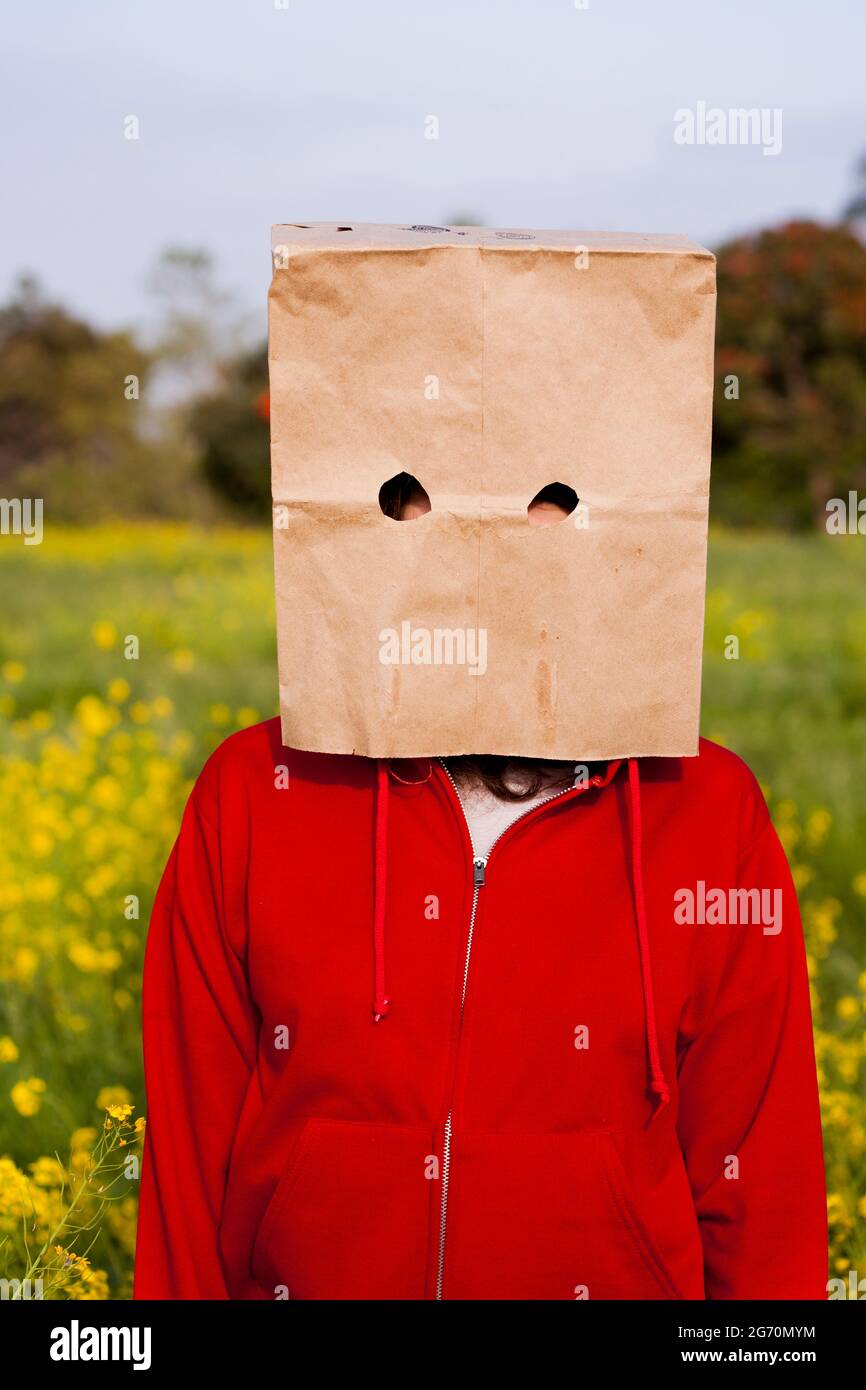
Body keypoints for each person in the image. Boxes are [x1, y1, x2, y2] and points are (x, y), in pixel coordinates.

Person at [133, 477, 827, 1301]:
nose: (479, 529)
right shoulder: (255, 788)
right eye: (423, 483)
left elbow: (762, 1190)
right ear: (381, 511)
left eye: (543, 485)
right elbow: (186, 1166)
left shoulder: (707, 807)